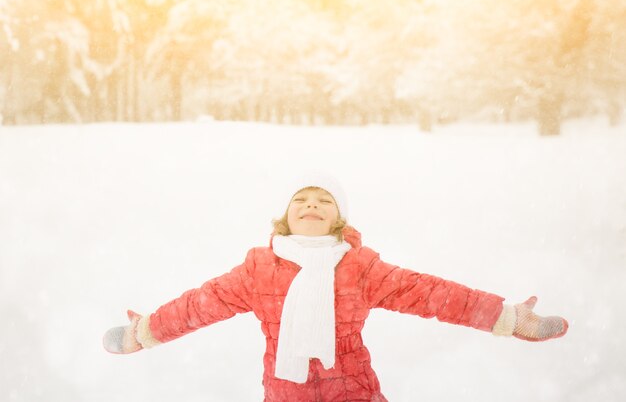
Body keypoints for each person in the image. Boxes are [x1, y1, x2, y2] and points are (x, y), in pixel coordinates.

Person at [103, 171, 568, 401]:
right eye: (300, 199)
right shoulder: (257, 269)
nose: (312, 204)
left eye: (324, 200)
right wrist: (144, 331)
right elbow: (198, 306)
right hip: (285, 392)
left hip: (355, 391)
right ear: (284, 217)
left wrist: (507, 317)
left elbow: (433, 295)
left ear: (338, 216)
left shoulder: (359, 267)